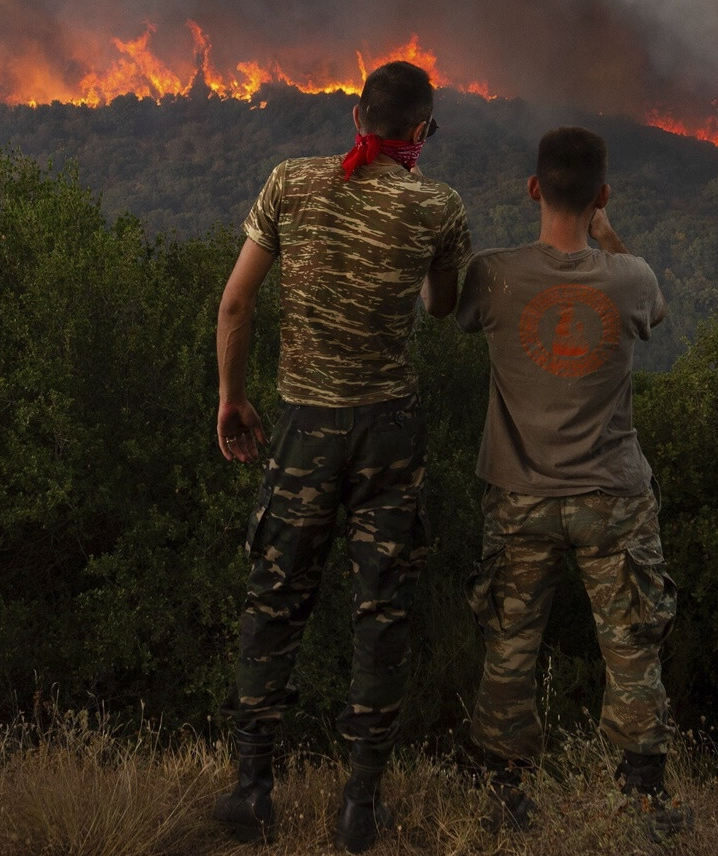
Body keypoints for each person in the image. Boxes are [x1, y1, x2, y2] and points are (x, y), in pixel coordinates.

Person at [211, 60, 471, 852]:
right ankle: (360, 807)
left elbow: (235, 301)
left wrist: (231, 397)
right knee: (381, 608)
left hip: (303, 427)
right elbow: (443, 303)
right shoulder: (438, 204)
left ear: (357, 113)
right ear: (421, 131)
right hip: (388, 429)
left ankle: (254, 792)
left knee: (275, 599)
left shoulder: (289, 182)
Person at [454, 125, 687, 841]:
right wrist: (608, 238)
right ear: (602, 196)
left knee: (509, 643)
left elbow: (453, 313)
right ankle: (643, 803)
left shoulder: (492, 275)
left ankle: (503, 796)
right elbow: (659, 313)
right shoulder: (631, 278)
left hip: (519, 495)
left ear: (533, 188)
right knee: (630, 645)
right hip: (611, 498)